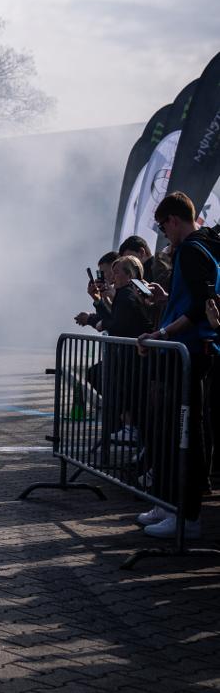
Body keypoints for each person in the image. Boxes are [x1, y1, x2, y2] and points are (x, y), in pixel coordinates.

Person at [135, 192, 220, 538]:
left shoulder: (191, 250)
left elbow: (203, 305)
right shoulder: (198, 248)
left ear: (173, 220)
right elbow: (195, 301)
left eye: (162, 226)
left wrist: (165, 330)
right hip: (186, 352)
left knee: (182, 435)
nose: (163, 233)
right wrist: (167, 304)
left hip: (189, 354)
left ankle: (186, 515)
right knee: (173, 432)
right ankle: (170, 504)